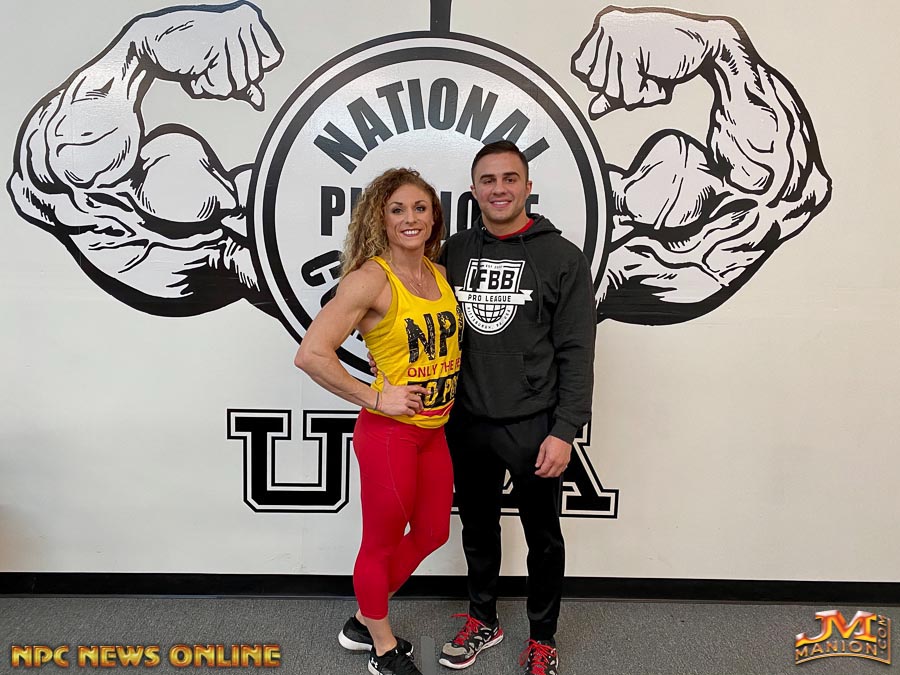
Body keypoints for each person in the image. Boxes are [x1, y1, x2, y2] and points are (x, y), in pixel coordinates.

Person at [437, 141, 596, 675]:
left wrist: (565, 429)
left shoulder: (562, 258)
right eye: (488, 180)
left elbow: (576, 350)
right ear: (474, 190)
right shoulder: (455, 251)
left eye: (510, 178)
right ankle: (483, 619)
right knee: (478, 530)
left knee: (543, 538)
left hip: (533, 424)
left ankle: (542, 638)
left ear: (528, 186)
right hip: (467, 420)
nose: (499, 189)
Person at [295, 168, 462, 675]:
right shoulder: (370, 279)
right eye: (397, 209)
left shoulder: (437, 272)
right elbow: (311, 354)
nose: (410, 218)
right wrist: (375, 397)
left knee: (431, 533)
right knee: (381, 543)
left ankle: (365, 616)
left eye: (420, 208)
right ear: (381, 220)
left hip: (433, 432)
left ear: (434, 217)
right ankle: (382, 647)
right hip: (389, 436)